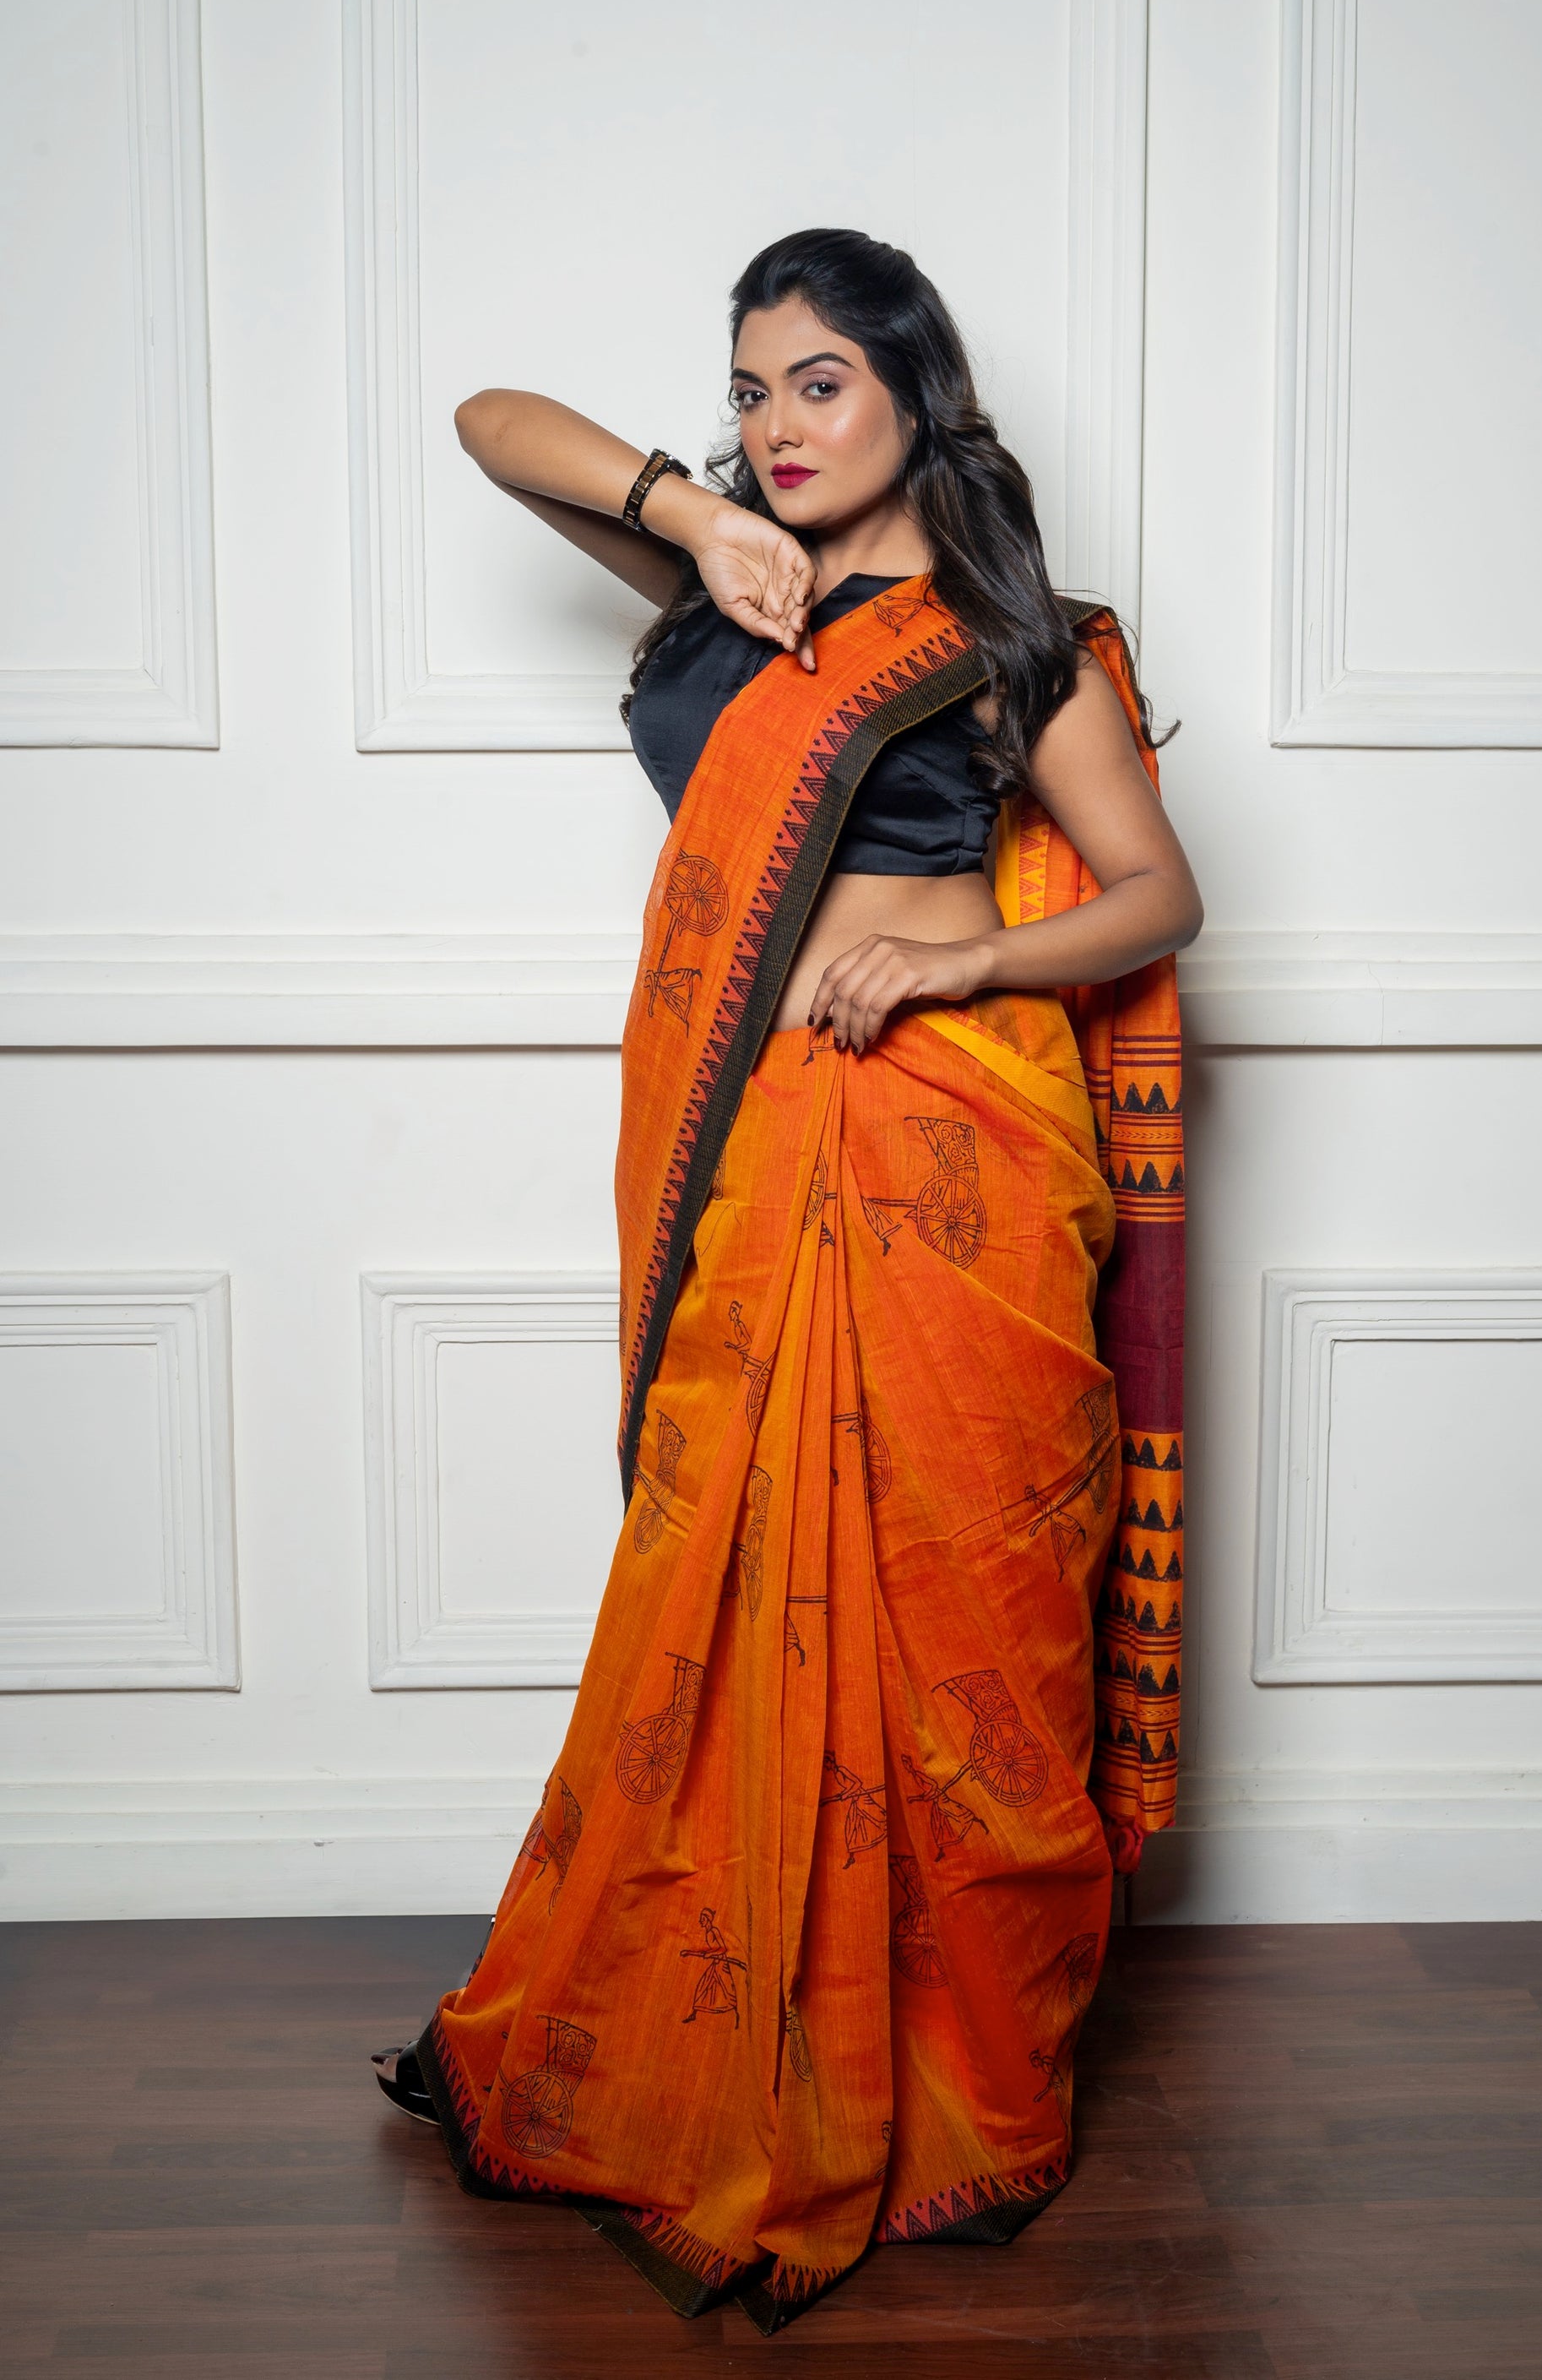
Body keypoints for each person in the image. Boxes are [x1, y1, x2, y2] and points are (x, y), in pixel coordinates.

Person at [372, 227, 1201, 2334]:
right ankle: (706, 2031)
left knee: (961, 1607)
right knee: (720, 1579)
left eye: (817, 383)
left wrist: (957, 951)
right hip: (761, 1152)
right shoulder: (738, 584)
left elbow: (1151, 892)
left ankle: (954, 2076)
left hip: (951, 1150)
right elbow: (486, 423)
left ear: (917, 387)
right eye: (750, 389)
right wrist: (694, 516)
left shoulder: (1017, 642)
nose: (777, 427)